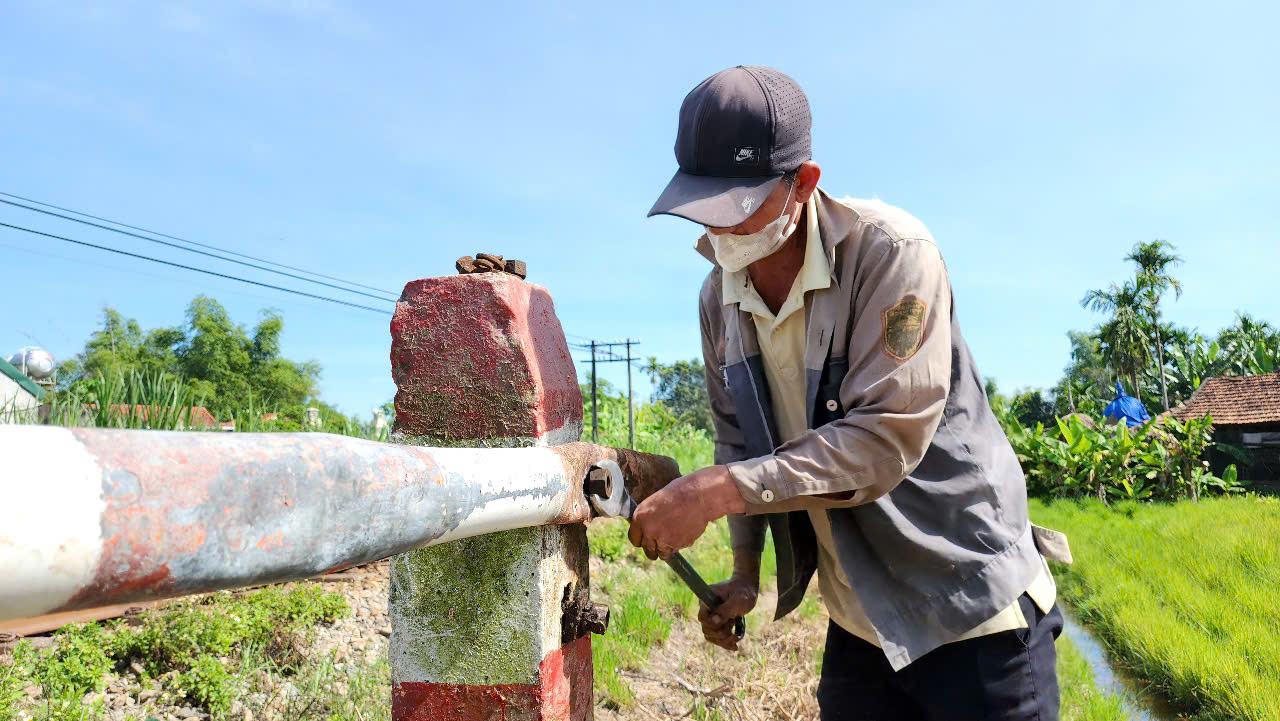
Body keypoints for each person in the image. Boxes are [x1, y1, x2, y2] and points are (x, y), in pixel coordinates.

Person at [632, 65, 1072, 721]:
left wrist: (715, 490)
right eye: (703, 207)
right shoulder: (718, 299)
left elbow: (882, 438)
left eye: (739, 206)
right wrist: (746, 573)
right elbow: (735, 438)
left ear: (803, 183)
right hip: (863, 619)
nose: (720, 233)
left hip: (969, 604)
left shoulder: (890, 253)